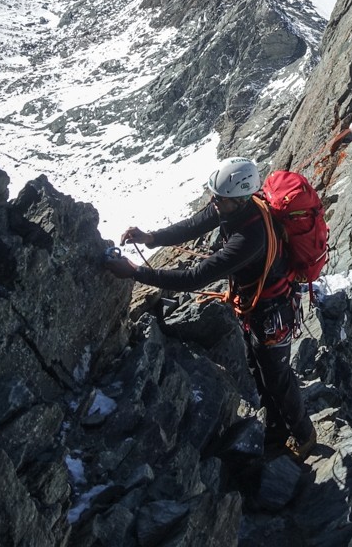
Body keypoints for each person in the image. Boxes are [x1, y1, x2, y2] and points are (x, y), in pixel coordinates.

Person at [103, 157, 317, 457]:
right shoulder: (236, 207)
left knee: (277, 378)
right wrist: (152, 238)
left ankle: (304, 435)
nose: (214, 203)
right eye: (215, 196)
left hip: (272, 311)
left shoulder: (249, 237)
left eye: (221, 199)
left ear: (240, 200)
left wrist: (137, 272)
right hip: (256, 307)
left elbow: (196, 277)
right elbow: (196, 223)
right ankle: (276, 430)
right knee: (259, 368)